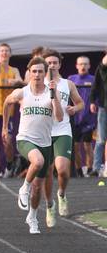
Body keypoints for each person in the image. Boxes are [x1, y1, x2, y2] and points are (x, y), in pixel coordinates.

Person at [2, 57, 63, 234]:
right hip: (25, 139)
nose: (36, 75)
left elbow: (59, 117)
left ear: (45, 74)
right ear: (29, 73)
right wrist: (5, 127)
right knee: (37, 162)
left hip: (45, 142)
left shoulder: (51, 92)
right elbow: (6, 103)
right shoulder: (23, 92)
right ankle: (23, 188)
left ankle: (33, 217)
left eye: (40, 71)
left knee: (38, 187)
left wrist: (54, 97)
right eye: (33, 71)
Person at [42, 50, 84, 226]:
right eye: (48, 62)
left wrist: (75, 109)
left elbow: (80, 103)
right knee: (47, 172)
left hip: (63, 130)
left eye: (54, 62)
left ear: (59, 64)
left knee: (63, 170)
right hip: (43, 132)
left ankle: (61, 194)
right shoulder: (37, 82)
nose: (51, 65)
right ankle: (49, 207)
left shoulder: (68, 84)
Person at [0, 43, 23, 177]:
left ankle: (9, 165)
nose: (4, 53)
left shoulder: (14, 70)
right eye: (2, 51)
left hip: (8, 112)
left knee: (7, 141)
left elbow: (20, 81)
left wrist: (14, 82)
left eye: (7, 51)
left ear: (10, 53)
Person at [68, 56, 96, 176]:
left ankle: (90, 170)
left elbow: (98, 97)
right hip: (74, 119)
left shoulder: (94, 79)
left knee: (87, 145)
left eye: (85, 64)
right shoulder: (71, 79)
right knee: (75, 146)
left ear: (89, 66)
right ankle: (79, 171)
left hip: (88, 119)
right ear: (76, 65)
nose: (83, 66)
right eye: (81, 64)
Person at [88, 51, 107, 176]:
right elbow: (95, 84)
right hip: (103, 107)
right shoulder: (102, 69)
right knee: (100, 139)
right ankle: (96, 168)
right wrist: (92, 101)